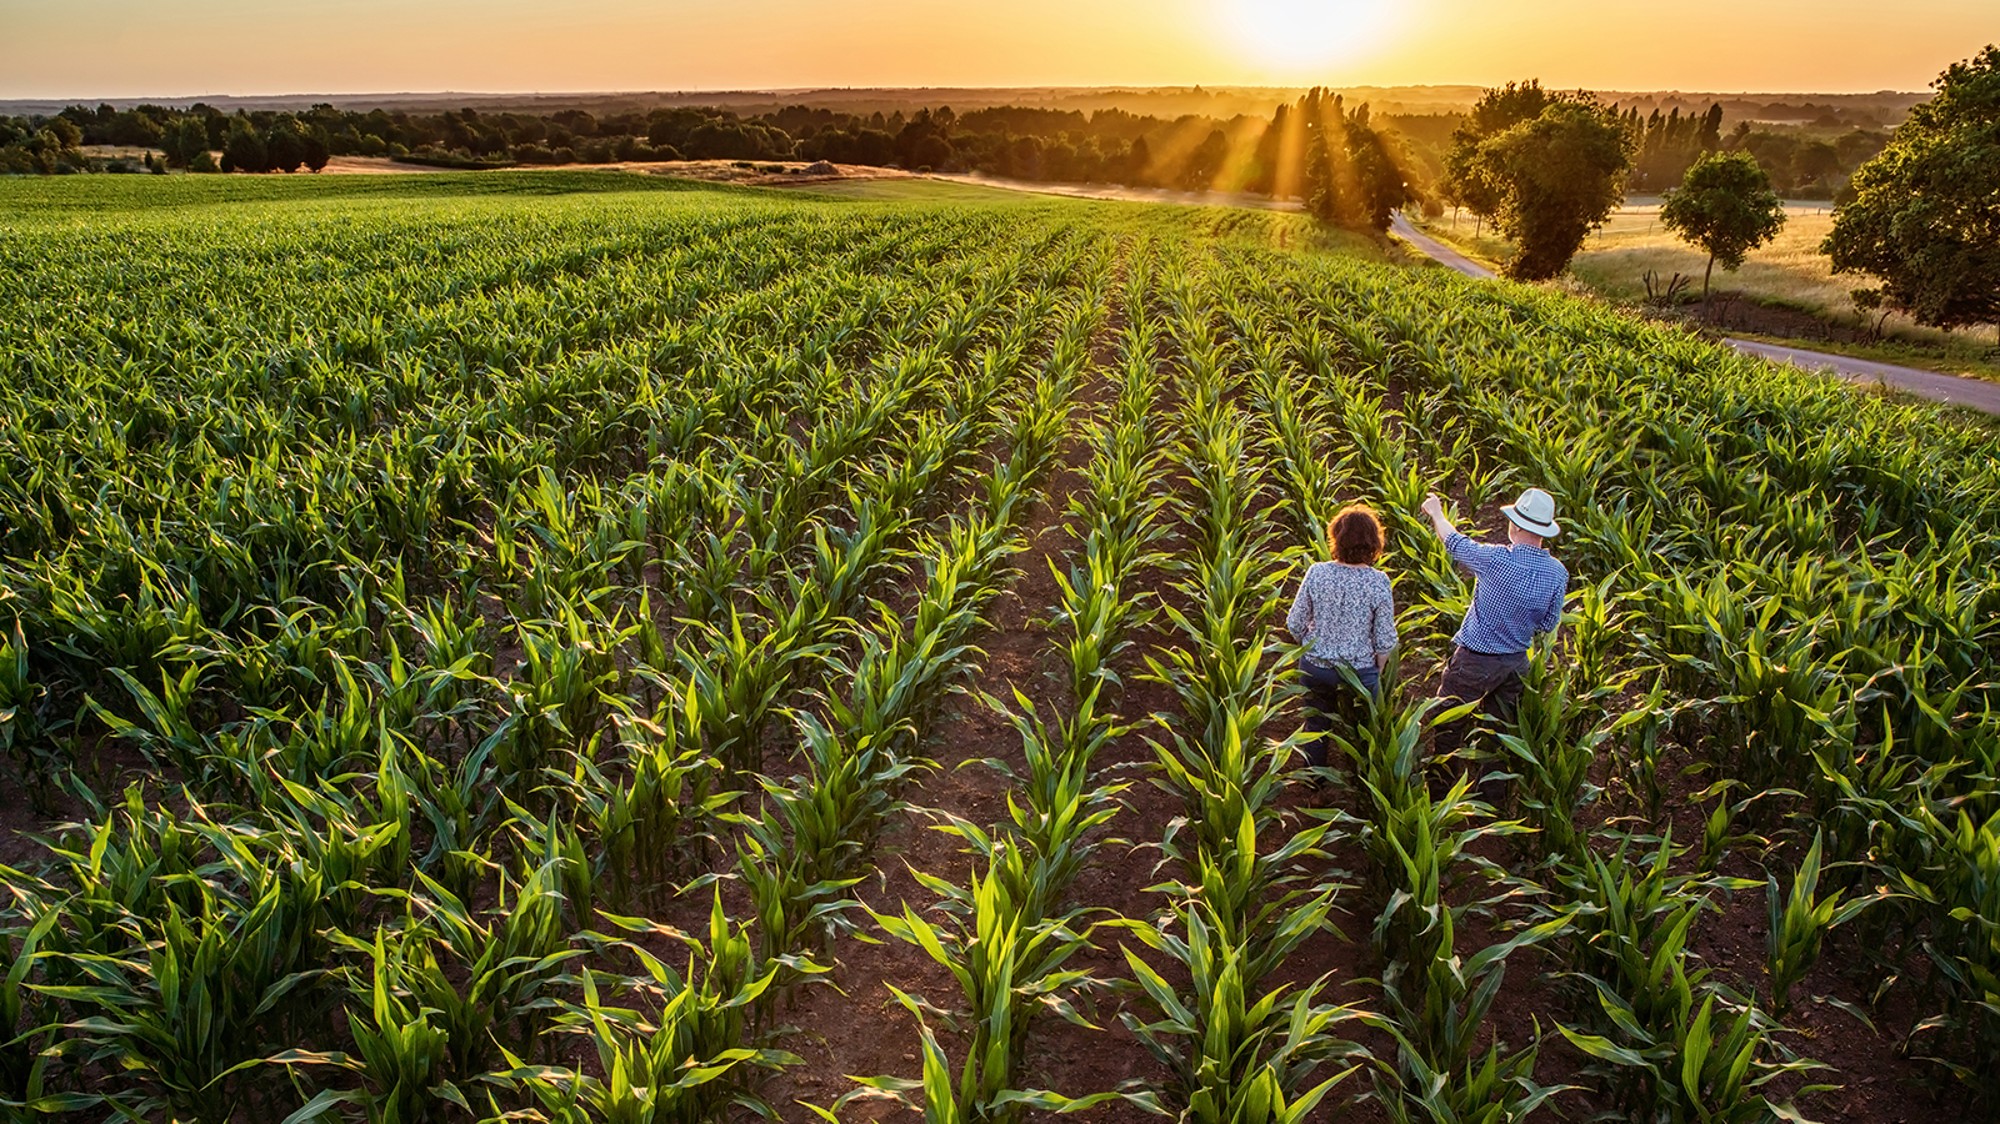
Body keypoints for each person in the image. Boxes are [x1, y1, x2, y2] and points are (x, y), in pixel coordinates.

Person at [1419, 487, 1569, 762]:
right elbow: (1549, 624)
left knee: (1449, 724)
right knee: (1500, 737)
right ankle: (1492, 796)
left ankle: (1442, 792)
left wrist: (1437, 513)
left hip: (1474, 662)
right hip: (1516, 665)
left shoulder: (1497, 560)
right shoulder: (1558, 572)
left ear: (1515, 525)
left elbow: (1454, 542)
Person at [1286, 504, 1398, 769]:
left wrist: (1312, 647)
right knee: (1364, 729)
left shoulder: (1317, 572)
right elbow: (1384, 639)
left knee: (1316, 723)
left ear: (1336, 539)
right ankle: (1358, 778)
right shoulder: (1378, 581)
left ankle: (1315, 780)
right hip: (1359, 672)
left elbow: (1294, 623)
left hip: (1316, 667)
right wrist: (1376, 672)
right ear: (1374, 543)